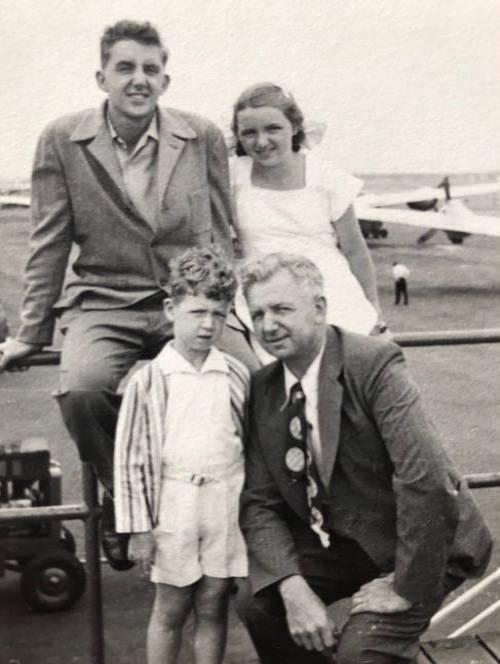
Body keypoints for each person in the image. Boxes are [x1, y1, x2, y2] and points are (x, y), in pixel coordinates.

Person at [0, 20, 257, 567]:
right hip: (104, 300)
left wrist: (224, 313)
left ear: (165, 79)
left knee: (252, 382)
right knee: (83, 392)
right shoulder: (61, 140)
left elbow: (219, 230)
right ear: (102, 77)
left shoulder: (202, 135)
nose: (138, 80)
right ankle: (126, 503)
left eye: (150, 69)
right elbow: (49, 240)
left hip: (186, 301)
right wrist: (31, 333)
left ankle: (251, 514)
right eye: (125, 68)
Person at [236, 252, 492, 664]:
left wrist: (404, 587)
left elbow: (425, 481)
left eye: (282, 309)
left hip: (423, 543)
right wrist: (293, 587)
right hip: (344, 540)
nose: (268, 325)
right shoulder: (264, 388)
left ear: (319, 309)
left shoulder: (373, 364)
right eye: (258, 313)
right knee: (258, 603)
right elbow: (259, 503)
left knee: (362, 652)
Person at [114, 246, 249, 664]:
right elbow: (131, 459)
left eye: (218, 313)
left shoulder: (234, 373)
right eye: (197, 312)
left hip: (223, 502)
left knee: (213, 605)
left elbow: (247, 444)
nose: (208, 325)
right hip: (175, 506)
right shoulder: (150, 379)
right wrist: (139, 529)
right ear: (172, 309)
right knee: (170, 609)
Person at [230, 83, 387, 351]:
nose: (261, 141)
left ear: (294, 126)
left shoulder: (328, 178)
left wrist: (373, 308)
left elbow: (355, 250)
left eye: (273, 128)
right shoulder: (232, 177)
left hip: (331, 293)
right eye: (249, 132)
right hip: (261, 297)